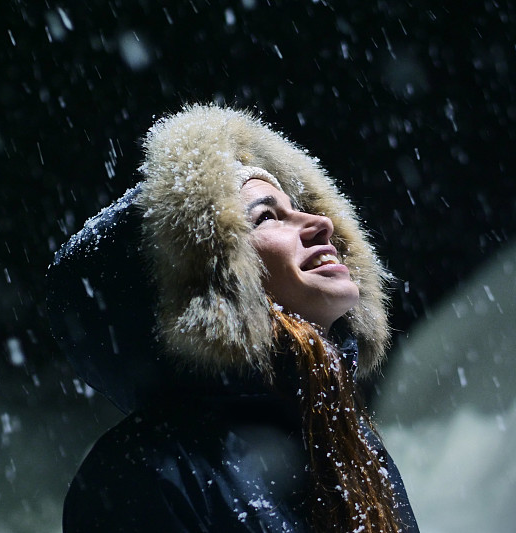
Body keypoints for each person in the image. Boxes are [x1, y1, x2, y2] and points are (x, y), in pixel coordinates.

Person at [46, 104, 418, 532]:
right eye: (266, 216)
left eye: (297, 207)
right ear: (210, 282)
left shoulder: (348, 443)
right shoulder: (146, 473)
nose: (321, 223)